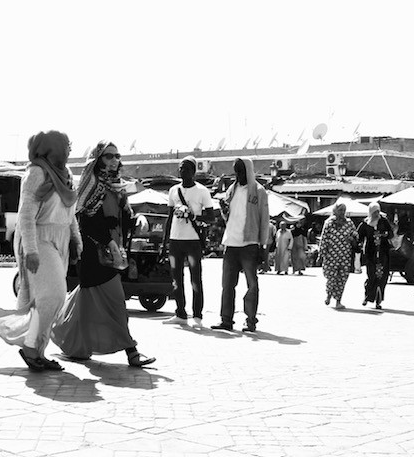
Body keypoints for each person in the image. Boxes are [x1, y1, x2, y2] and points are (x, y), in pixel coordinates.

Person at [51, 141, 155, 367]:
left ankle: (66, 337)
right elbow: (85, 222)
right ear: (97, 159)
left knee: (85, 304)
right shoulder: (93, 185)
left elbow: (123, 219)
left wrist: (137, 219)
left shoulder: (117, 187)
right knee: (117, 302)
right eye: (109, 156)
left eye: (117, 156)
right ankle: (132, 352)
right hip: (95, 254)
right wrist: (109, 240)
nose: (115, 160)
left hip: (112, 253)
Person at [0, 131, 82, 372]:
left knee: (48, 300)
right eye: (66, 146)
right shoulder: (36, 173)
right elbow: (26, 215)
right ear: (52, 148)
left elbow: (69, 212)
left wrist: (75, 239)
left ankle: (36, 350)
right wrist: (30, 250)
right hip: (38, 238)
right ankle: (31, 348)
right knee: (54, 295)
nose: (70, 150)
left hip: (59, 239)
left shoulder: (66, 174)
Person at [212, 157, 270, 333]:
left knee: (251, 284)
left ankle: (250, 320)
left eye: (241, 171)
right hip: (231, 242)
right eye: (236, 171)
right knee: (227, 284)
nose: (238, 175)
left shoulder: (259, 192)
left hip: (250, 244)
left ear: (249, 171)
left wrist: (263, 246)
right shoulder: (232, 189)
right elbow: (228, 216)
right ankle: (226, 320)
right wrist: (223, 209)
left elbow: (264, 220)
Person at [161, 156, 215, 327]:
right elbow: (169, 218)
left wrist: (192, 215)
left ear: (193, 171)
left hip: (193, 241)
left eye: (186, 168)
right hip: (175, 240)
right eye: (180, 168)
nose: (182, 171)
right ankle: (180, 313)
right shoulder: (173, 191)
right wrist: (165, 242)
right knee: (176, 278)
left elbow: (211, 217)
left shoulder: (202, 191)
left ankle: (197, 315)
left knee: (195, 279)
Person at [319, 203, 356, 309]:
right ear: (335, 211)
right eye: (340, 210)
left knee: (342, 278)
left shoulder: (349, 223)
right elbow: (324, 238)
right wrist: (321, 254)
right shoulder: (329, 223)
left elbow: (355, 235)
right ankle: (329, 295)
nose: (342, 212)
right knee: (331, 277)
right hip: (331, 256)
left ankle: (338, 301)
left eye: (344, 210)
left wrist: (353, 238)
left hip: (345, 256)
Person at [357, 202, 393, 309]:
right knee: (371, 275)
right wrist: (357, 243)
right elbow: (359, 236)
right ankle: (368, 296)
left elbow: (391, 233)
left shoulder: (383, 221)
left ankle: (378, 301)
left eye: (378, 211)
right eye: (374, 212)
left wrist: (385, 235)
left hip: (382, 254)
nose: (377, 214)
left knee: (381, 277)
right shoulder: (365, 223)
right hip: (370, 254)